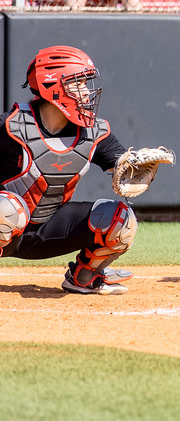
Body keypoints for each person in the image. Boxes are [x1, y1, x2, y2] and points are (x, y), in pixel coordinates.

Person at [0, 46, 145, 294]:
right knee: (7, 209)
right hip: (6, 226)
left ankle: (84, 277)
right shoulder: (11, 126)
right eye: (78, 83)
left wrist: (137, 169)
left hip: (51, 229)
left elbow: (124, 168)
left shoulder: (93, 131)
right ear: (52, 86)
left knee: (121, 220)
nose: (87, 92)